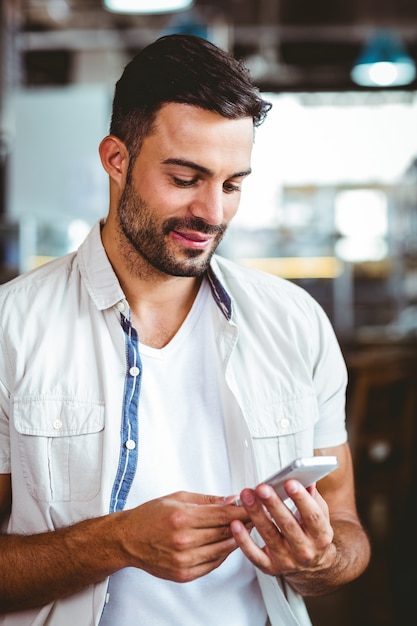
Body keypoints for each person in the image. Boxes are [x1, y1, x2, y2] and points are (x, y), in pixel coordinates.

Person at [0, 33, 370, 626]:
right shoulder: (11, 330)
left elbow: (346, 530)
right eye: (185, 178)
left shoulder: (294, 322)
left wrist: (318, 559)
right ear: (116, 160)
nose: (213, 213)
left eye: (232, 184)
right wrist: (115, 542)